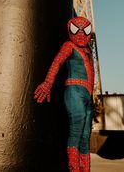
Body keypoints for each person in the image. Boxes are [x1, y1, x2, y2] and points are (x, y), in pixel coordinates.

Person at [34, 16, 94, 172]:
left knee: (85, 136)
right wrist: (48, 83)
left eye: (85, 30)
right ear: (70, 30)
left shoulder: (88, 50)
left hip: (87, 95)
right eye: (76, 29)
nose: (81, 34)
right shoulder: (69, 46)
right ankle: (74, 169)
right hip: (74, 91)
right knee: (76, 132)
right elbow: (58, 61)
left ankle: (84, 169)